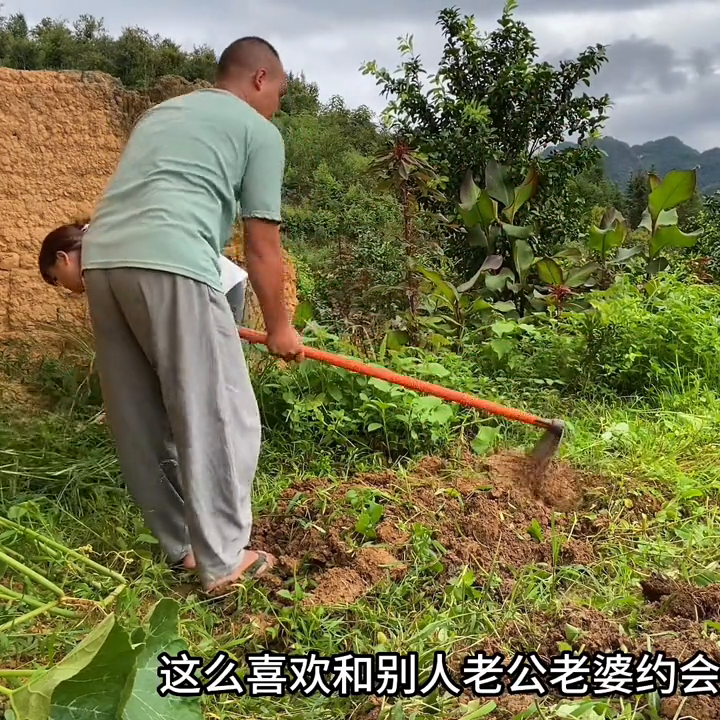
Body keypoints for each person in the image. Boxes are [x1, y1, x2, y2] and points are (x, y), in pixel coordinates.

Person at [47, 36, 303, 594]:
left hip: (104, 260)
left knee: (140, 417)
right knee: (221, 414)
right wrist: (281, 327)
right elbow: (262, 246)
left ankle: (184, 547)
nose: (278, 103)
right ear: (261, 78)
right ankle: (224, 560)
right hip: (174, 262)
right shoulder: (259, 131)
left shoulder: (161, 114)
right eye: (280, 90)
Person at [39, 221, 250, 325]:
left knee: (220, 370)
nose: (64, 286)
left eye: (57, 279)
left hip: (218, 284)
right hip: (198, 287)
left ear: (62, 258)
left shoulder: (103, 249)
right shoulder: (102, 247)